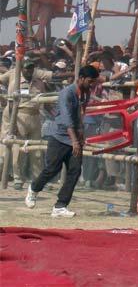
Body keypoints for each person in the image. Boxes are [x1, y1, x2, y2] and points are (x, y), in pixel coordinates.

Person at [24, 65, 99, 217]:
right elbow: (66, 120)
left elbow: (80, 114)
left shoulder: (85, 93)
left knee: (75, 171)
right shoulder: (67, 93)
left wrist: (80, 134)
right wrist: (75, 142)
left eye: (94, 82)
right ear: (82, 78)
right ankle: (34, 188)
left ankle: (60, 206)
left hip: (74, 138)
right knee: (52, 169)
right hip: (59, 137)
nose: (92, 85)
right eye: (90, 81)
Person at [0, 57, 54, 189]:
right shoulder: (16, 82)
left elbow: (45, 100)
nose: (29, 70)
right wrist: (13, 124)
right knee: (18, 147)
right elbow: (12, 103)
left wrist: (54, 114)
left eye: (31, 68)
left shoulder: (38, 82)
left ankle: (37, 178)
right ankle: (18, 178)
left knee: (36, 149)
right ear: (22, 69)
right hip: (20, 115)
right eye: (26, 68)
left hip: (35, 116)